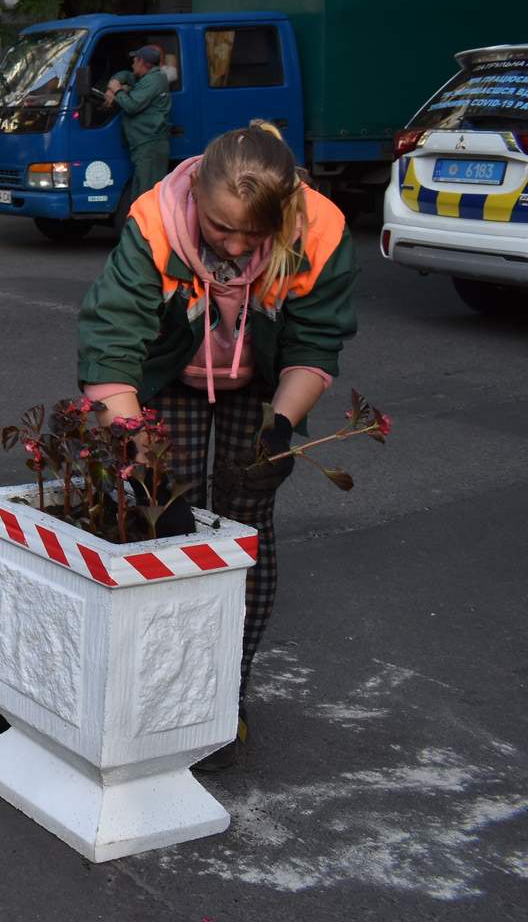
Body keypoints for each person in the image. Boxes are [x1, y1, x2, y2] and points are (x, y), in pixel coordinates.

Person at [77, 122, 358, 770]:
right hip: (168, 374)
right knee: (164, 523)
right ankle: (160, 689)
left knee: (245, 522)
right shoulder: (154, 220)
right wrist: (142, 462)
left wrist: (279, 428)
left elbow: (315, 342)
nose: (231, 245)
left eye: (249, 235)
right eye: (218, 227)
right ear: (195, 193)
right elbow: (110, 343)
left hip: (259, 381)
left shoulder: (321, 229)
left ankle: (224, 691)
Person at [106, 44, 173, 208]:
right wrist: (116, 81)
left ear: (143, 63)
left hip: (150, 146)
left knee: (147, 198)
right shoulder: (147, 78)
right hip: (144, 146)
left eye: (135, 60)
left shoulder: (153, 80)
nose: (132, 64)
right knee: (138, 197)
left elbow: (132, 105)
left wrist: (117, 91)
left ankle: (146, 226)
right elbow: (127, 75)